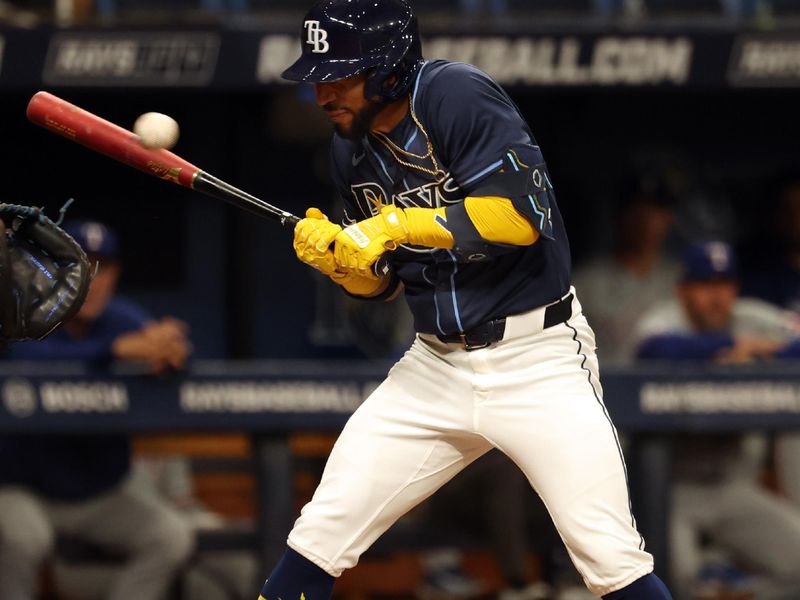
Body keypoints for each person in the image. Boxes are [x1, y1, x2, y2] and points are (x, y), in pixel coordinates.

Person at [259, 1, 673, 599]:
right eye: (320, 77)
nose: (324, 93)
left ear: (389, 70)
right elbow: (387, 282)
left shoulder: (454, 95)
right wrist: (343, 267)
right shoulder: (348, 150)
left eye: (341, 75)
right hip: (433, 368)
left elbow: (518, 216)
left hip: (539, 360)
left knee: (611, 561)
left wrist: (395, 225)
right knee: (318, 535)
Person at [0, 219, 194, 600]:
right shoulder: (29, 309)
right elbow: (32, 361)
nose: (94, 280)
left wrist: (171, 352)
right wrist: (115, 351)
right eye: (81, 266)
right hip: (23, 490)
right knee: (25, 540)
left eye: (103, 269)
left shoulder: (121, 317)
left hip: (101, 495)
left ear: (116, 276)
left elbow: (168, 351)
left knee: (170, 535)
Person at [634, 240, 800, 599]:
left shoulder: (752, 316)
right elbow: (653, 349)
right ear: (684, 290)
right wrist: (730, 346)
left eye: (724, 285)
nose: (717, 296)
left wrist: (761, 349)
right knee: (675, 578)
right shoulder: (664, 319)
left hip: (732, 486)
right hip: (673, 490)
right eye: (705, 285)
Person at [572, 170, 678, 364]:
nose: (645, 222)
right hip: (605, 387)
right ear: (618, 216)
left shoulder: (683, 280)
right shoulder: (585, 283)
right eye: (637, 212)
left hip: (668, 389)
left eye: (655, 212)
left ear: (669, 218)